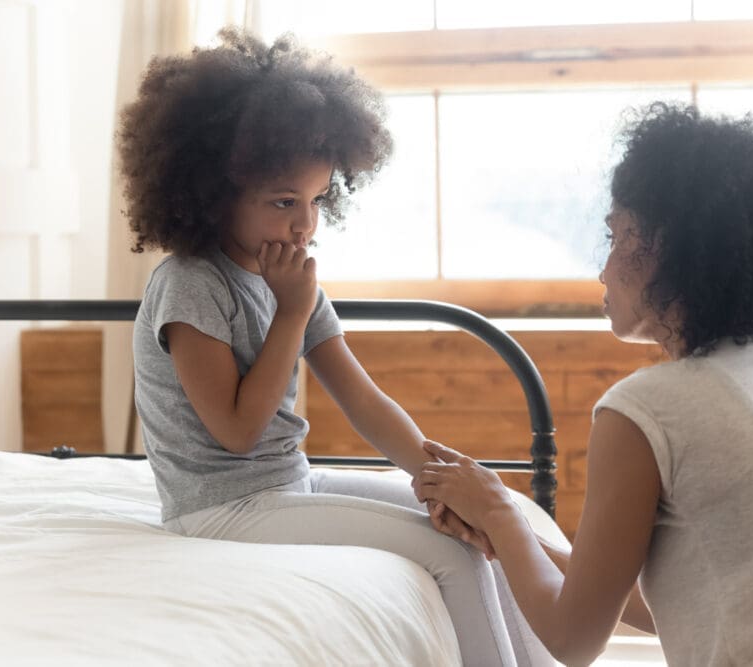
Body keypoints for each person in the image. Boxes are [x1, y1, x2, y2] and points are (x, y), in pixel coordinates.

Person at [414, 102, 753, 666]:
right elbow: (700, 596)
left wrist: (501, 512)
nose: (603, 269)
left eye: (616, 235)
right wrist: (508, 537)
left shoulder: (645, 409)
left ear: (672, 250)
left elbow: (573, 640)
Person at [120, 27, 552, 667]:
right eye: (284, 202)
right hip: (217, 510)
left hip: (287, 484)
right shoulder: (191, 285)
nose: (305, 223)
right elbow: (238, 431)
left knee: (490, 518)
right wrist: (289, 314)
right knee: (448, 551)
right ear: (213, 196)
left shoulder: (289, 276)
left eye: (318, 200)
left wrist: (435, 476)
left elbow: (363, 399)